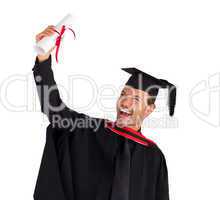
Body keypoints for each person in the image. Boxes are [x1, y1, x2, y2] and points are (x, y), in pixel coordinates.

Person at [32, 25, 176, 200]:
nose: (125, 102)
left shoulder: (154, 158)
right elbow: (53, 108)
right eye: (124, 94)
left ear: (149, 109)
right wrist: (43, 58)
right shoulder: (90, 131)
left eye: (136, 99)